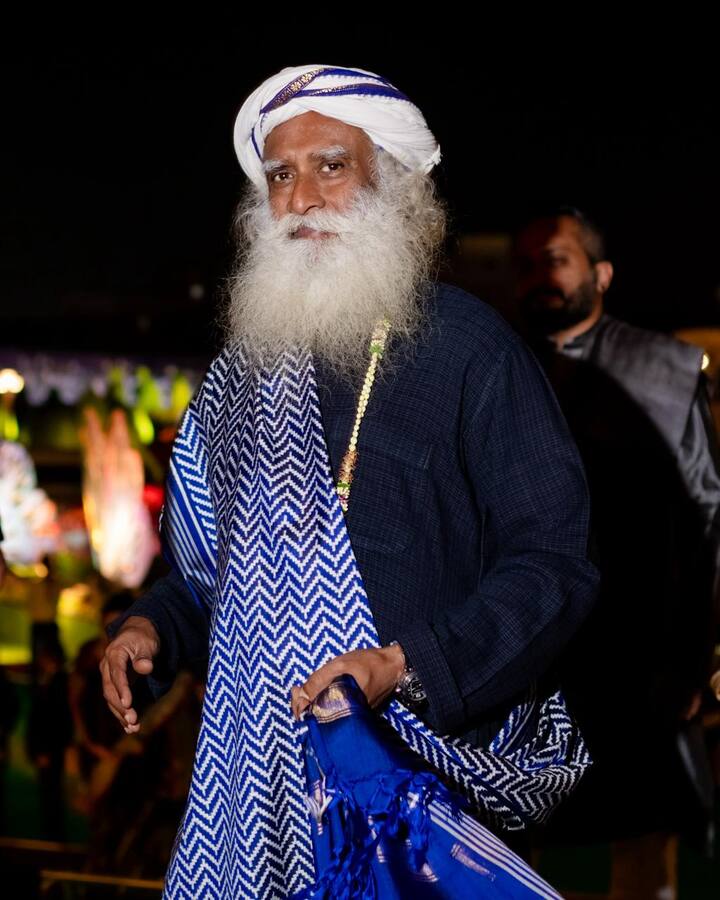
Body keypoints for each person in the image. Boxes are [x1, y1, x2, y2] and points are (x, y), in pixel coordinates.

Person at [101, 66, 598, 898]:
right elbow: (209, 584)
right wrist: (149, 629)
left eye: (331, 165)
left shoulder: (471, 351)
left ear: (394, 186)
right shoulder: (233, 384)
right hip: (257, 790)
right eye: (281, 176)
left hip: (412, 791)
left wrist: (406, 666)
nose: (301, 198)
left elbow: (555, 565)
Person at [512, 207, 720, 898]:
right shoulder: (498, 366)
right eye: (529, 262)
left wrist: (695, 660)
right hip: (528, 660)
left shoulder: (663, 370)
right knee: (519, 845)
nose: (542, 275)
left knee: (640, 844)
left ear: (601, 274)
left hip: (640, 658)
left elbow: (707, 514)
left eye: (558, 259)